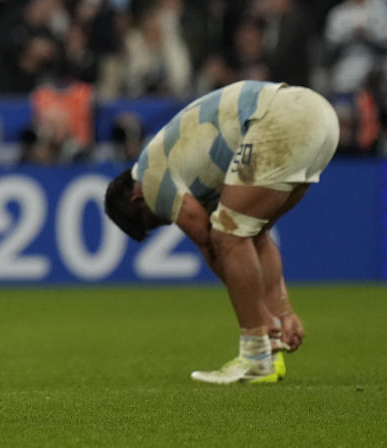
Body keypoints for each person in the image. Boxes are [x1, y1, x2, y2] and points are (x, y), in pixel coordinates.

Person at [104, 80, 339, 384]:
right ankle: (269, 351)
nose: (169, 219)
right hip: (320, 115)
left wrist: (258, 313)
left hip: (278, 119)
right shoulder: (186, 169)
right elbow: (253, 241)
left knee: (225, 235)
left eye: (157, 218)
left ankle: (255, 356)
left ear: (137, 198)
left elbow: (209, 240)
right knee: (251, 232)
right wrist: (281, 311)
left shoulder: (149, 177)